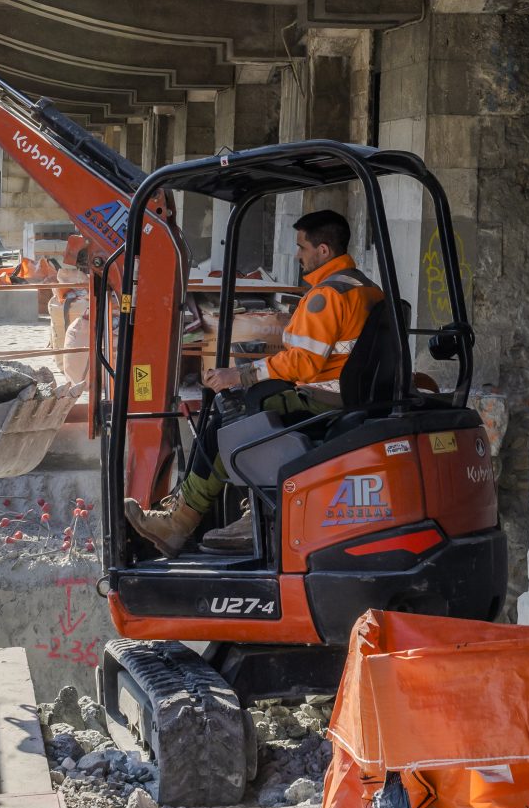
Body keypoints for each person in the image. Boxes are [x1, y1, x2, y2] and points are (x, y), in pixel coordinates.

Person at [123, 209, 381, 557]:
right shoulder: (365, 288)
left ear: (323, 250)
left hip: (322, 400)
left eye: (302, 247)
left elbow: (304, 363)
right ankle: (204, 512)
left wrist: (241, 374)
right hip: (347, 396)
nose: (297, 255)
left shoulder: (327, 296)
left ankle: (183, 522)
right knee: (249, 402)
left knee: (230, 418)